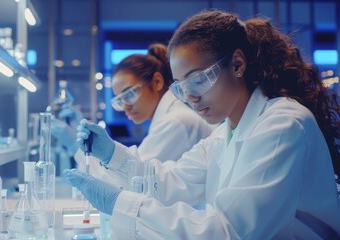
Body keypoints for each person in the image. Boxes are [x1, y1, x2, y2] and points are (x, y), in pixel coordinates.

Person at [65, 10, 340, 239]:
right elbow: (173, 183)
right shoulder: (226, 132)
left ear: (236, 64)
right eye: (182, 88)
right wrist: (112, 155)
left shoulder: (283, 125)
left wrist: (119, 203)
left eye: (198, 80)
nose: (192, 98)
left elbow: (229, 231)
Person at [56, 43, 213, 188]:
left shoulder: (175, 122)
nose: (125, 106)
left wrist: (76, 148)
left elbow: (127, 183)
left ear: (157, 81)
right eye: (119, 101)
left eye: (129, 94)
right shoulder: (170, 117)